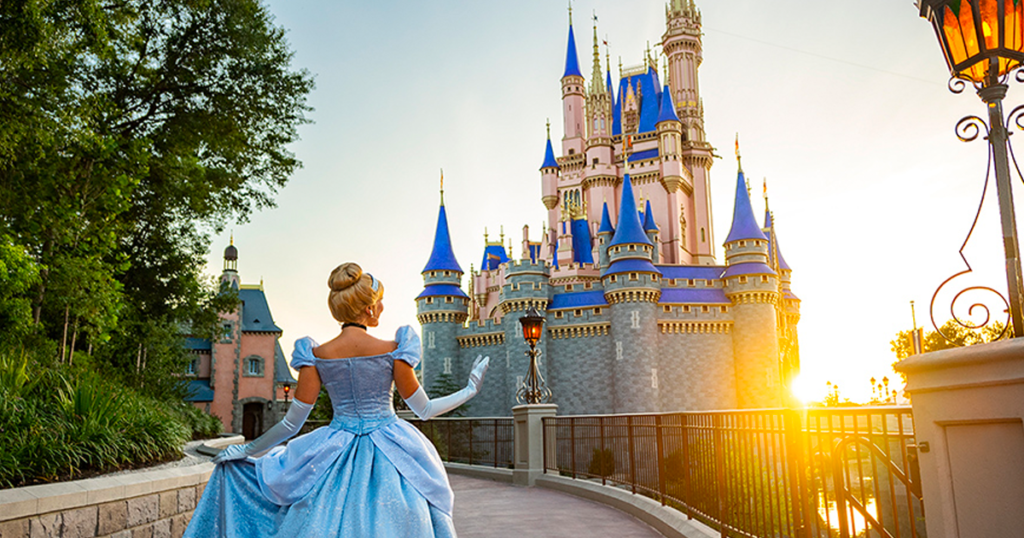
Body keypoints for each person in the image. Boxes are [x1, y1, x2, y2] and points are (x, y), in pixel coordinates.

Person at [183, 263, 489, 537]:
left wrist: (246, 450)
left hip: (332, 449)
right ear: (369, 308)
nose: (382, 307)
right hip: (393, 449)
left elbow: (291, 423)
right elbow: (424, 410)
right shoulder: (396, 349)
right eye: (379, 301)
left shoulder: (316, 355)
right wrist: (469, 390)